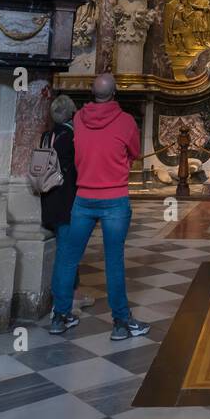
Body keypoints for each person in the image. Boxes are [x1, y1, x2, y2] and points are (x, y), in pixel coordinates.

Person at [49, 73, 150, 341]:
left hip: (83, 198)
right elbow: (135, 152)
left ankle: (60, 317)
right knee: (113, 260)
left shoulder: (79, 119)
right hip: (115, 198)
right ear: (115, 93)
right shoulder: (127, 121)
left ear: (92, 93)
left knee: (69, 258)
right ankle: (120, 323)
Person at [40, 94, 95, 313]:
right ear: (72, 114)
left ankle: (72, 293)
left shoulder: (47, 136)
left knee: (66, 249)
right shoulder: (73, 137)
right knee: (67, 252)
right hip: (67, 200)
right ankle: (63, 304)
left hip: (48, 198)